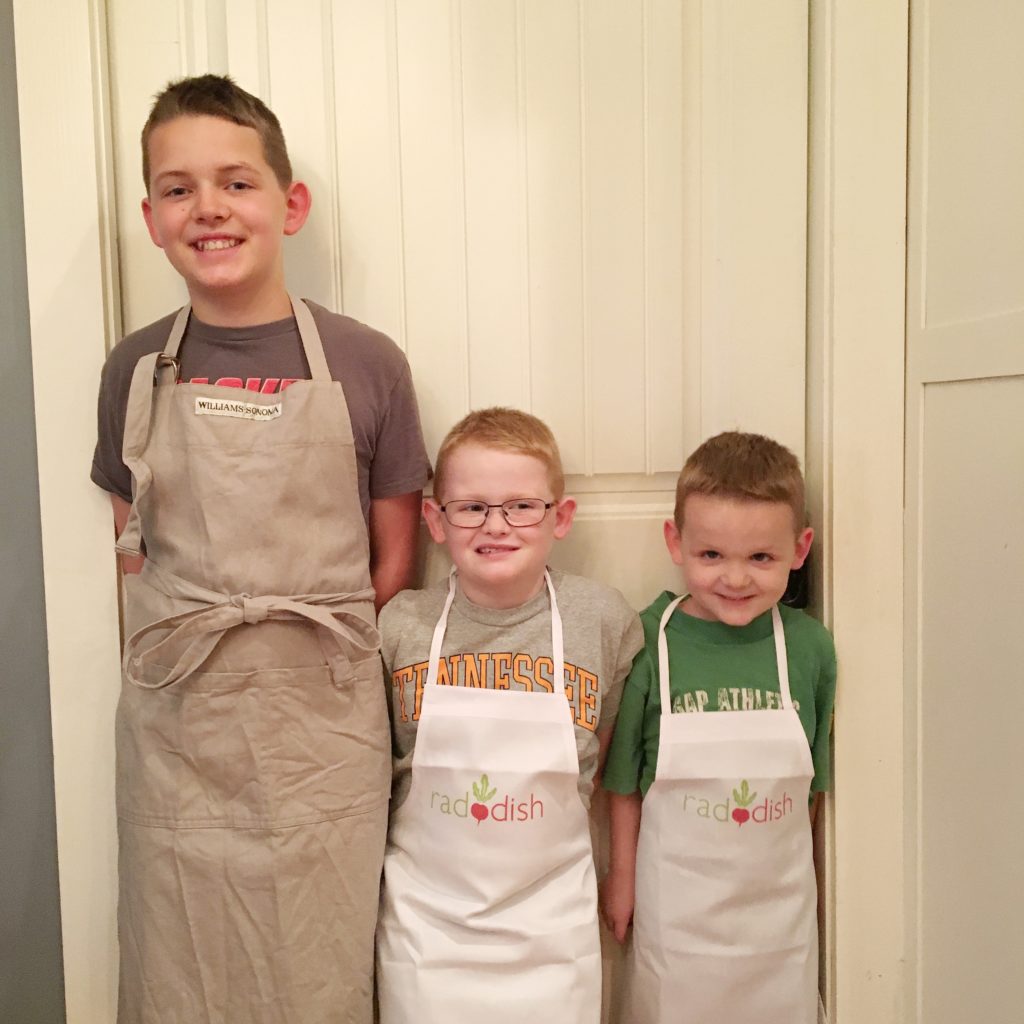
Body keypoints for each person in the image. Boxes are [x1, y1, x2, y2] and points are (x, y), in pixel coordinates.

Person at [90, 74, 430, 1023]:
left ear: (290, 204)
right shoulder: (133, 367)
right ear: (152, 219)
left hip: (323, 729)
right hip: (178, 728)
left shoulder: (367, 363)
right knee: (179, 963)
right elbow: (131, 553)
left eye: (236, 182)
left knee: (317, 963)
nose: (209, 207)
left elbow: (393, 564)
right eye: (178, 188)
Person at [375, 408, 643, 1023]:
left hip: (553, 934)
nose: (496, 525)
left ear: (561, 517)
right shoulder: (401, 626)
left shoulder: (604, 621)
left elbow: (600, 756)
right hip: (425, 931)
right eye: (471, 507)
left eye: (522, 506)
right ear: (435, 521)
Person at [600, 431, 837, 1024]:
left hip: (779, 924)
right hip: (675, 922)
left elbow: (813, 788)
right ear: (675, 542)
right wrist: (622, 880)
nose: (736, 578)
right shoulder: (648, 641)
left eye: (761, 558)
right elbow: (624, 783)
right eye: (711, 556)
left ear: (800, 549)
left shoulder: (810, 648)